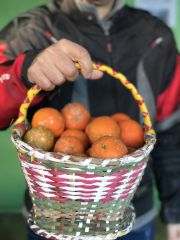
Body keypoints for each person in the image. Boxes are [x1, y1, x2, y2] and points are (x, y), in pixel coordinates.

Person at [0, 0, 180, 239]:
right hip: (55, 215)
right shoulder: (29, 30)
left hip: (131, 211)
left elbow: (171, 131)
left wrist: (175, 211)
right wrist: (22, 72)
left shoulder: (158, 36)